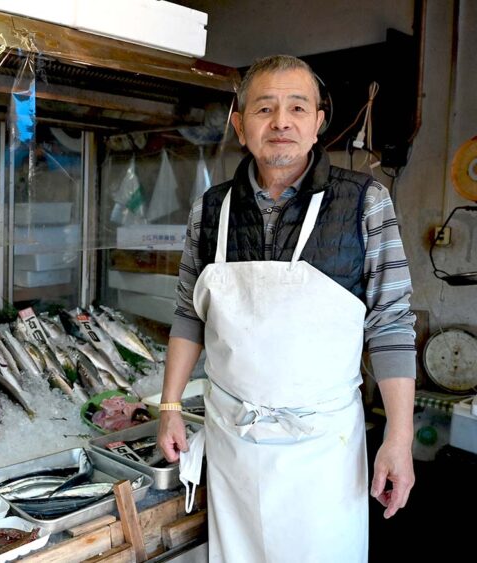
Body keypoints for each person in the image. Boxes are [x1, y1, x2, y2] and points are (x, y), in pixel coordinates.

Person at [157, 55, 416, 562]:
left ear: (319, 122)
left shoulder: (365, 201)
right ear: (239, 124)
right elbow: (190, 314)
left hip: (324, 448)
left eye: (298, 107)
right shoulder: (210, 209)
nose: (281, 121)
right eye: (264, 108)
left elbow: (390, 327)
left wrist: (399, 438)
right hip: (233, 440)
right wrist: (169, 407)